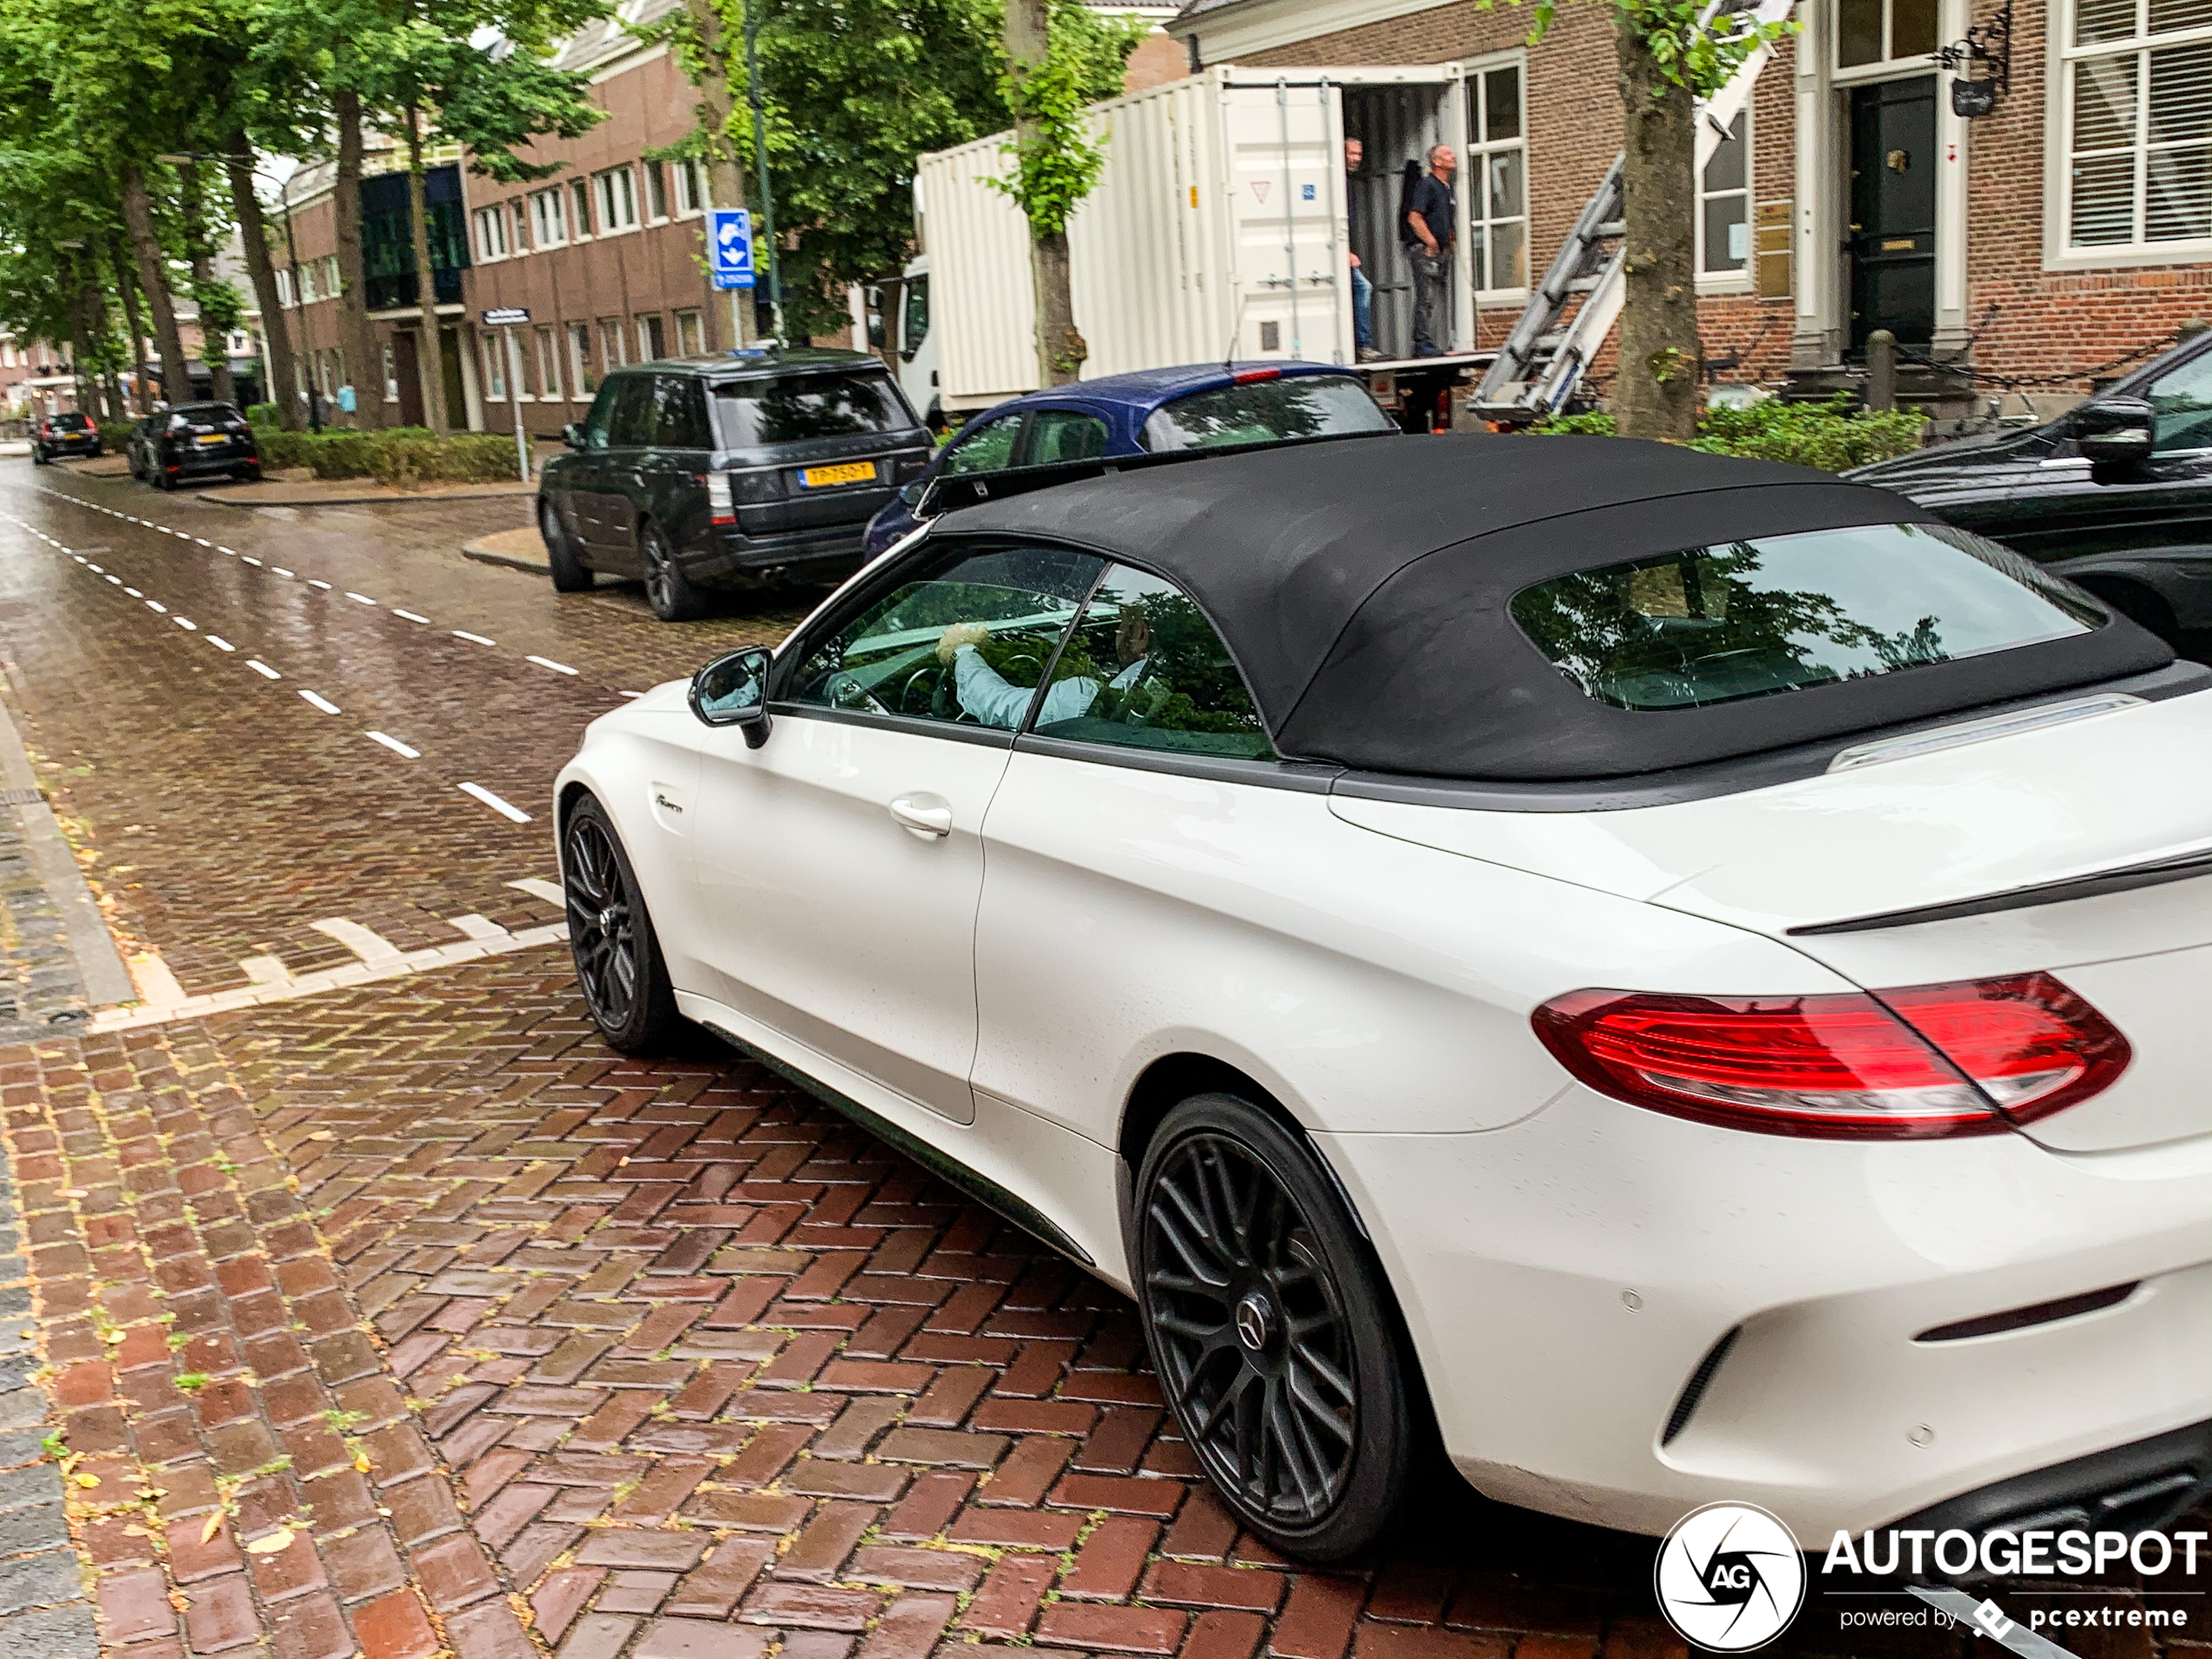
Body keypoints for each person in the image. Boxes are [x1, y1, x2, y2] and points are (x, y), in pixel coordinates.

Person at [937, 606, 1152, 729]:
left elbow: (1002, 707)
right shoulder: (1155, 684)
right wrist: (1132, 662)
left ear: (1142, 632)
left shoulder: (1086, 698)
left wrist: (961, 652)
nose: (1118, 632)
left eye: (1125, 625)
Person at [1403, 144, 1457, 358]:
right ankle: (1421, 344)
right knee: (1426, 297)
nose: (1453, 156)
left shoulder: (1446, 188)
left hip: (1442, 252)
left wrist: (1449, 241)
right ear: (1437, 161)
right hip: (1425, 251)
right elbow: (1414, 217)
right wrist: (1431, 242)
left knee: (1436, 298)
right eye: (1448, 154)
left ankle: (1437, 342)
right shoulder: (1427, 185)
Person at [1345, 138, 1379, 363]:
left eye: (1359, 154)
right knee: (1363, 287)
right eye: (1352, 153)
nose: (1356, 158)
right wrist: (1344, 252)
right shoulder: (1339, 183)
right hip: (1339, 252)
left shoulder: (1347, 183)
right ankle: (1362, 346)